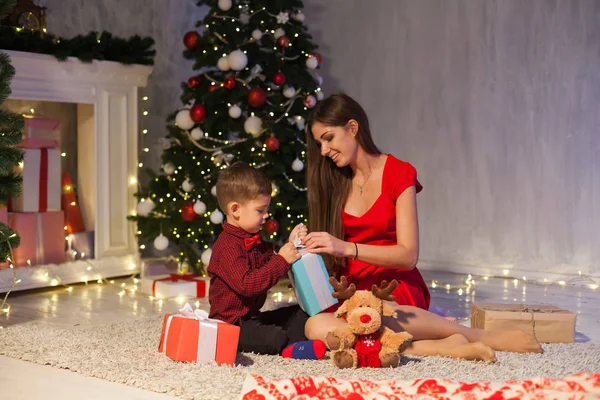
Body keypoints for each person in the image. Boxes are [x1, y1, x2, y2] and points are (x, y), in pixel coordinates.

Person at [302, 93, 541, 361]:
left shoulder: (399, 173)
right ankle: (440, 346)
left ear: (353, 128)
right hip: (353, 293)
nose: (323, 150)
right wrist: (303, 244)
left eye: (328, 138)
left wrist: (347, 248)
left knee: (379, 317)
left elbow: (408, 256)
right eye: (319, 142)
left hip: (393, 287)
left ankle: (482, 336)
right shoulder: (332, 181)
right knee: (315, 326)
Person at [208, 161, 326, 360]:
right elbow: (249, 285)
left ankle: (295, 343)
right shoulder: (227, 246)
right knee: (273, 337)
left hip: (253, 318)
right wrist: (281, 260)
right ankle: (289, 345)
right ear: (235, 209)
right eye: (260, 210)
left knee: (300, 311)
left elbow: (270, 263)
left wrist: (291, 245)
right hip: (231, 325)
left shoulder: (252, 238)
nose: (266, 216)